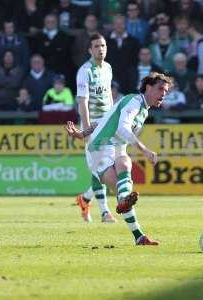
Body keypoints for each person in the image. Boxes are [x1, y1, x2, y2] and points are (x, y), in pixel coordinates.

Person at [66, 72, 173, 246]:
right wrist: (145, 150)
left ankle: (139, 236)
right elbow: (123, 129)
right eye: (160, 89)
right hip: (99, 149)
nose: (164, 94)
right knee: (123, 174)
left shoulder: (143, 109)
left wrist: (82, 133)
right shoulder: (134, 102)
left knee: (123, 175)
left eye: (166, 91)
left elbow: (104, 119)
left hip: (115, 148)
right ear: (148, 87)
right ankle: (133, 225)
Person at [76, 33, 116, 223]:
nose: (101, 49)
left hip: (108, 125)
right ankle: (105, 212)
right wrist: (86, 129)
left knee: (107, 170)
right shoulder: (85, 71)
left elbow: (108, 95)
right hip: (93, 127)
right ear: (90, 50)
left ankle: (84, 199)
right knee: (99, 170)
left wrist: (114, 119)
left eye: (103, 45)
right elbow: (82, 102)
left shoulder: (108, 68)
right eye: (97, 46)